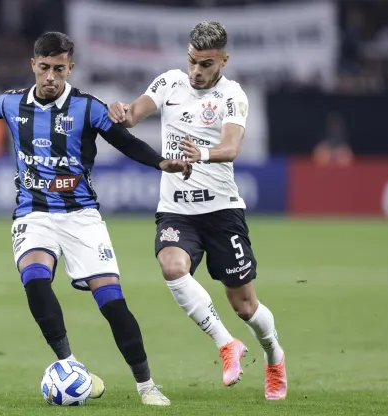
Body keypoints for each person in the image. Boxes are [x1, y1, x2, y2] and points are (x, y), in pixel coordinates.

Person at [0, 32, 188, 406]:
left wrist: (160, 162)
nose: (51, 77)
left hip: (82, 216)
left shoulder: (89, 108)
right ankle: (69, 364)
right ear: (33, 66)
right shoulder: (12, 104)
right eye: (44, 68)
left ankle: (147, 386)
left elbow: (126, 142)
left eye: (59, 69)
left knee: (112, 303)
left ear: (70, 68)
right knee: (36, 279)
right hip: (33, 213)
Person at [107, 21, 287, 400]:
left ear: (224, 59)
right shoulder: (170, 82)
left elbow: (232, 146)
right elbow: (136, 112)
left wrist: (199, 154)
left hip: (222, 212)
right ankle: (226, 345)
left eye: (206, 63)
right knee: (172, 266)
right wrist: (123, 111)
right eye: (192, 61)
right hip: (176, 210)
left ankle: (274, 357)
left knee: (244, 306)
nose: (196, 71)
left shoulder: (232, 95)